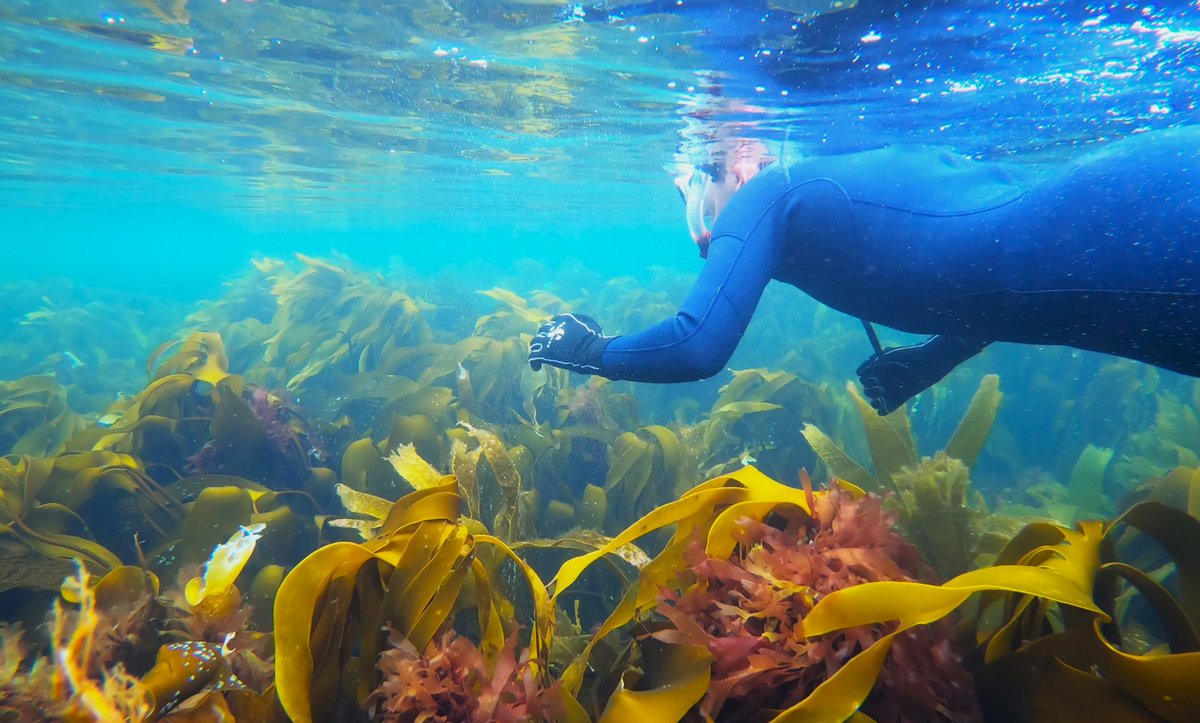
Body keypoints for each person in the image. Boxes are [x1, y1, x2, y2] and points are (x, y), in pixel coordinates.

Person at [528, 127, 1200, 415]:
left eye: (689, 193)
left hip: (1145, 231)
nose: (699, 225)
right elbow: (994, 269)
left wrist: (591, 350)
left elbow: (697, 343)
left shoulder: (767, 193)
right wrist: (928, 362)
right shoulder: (831, 186)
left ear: (735, 168)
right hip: (1134, 204)